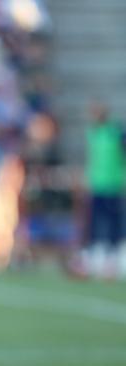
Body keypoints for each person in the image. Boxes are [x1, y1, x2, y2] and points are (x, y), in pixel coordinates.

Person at [83, 101, 125, 279]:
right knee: (96, 222)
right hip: (97, 186)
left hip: (114, 185)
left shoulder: (116, 133)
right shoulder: (92, 134)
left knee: (115, 223)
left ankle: (117, 259)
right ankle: (98, 258)